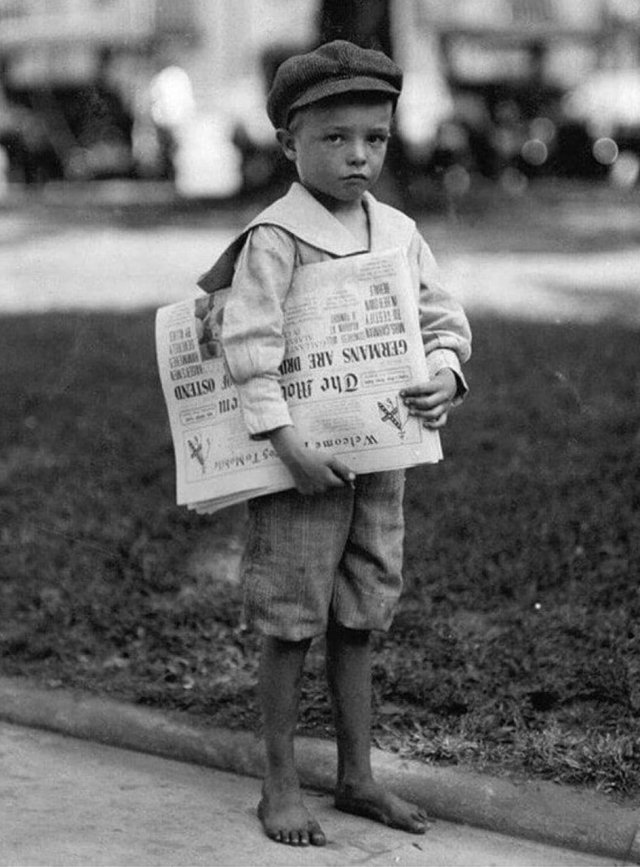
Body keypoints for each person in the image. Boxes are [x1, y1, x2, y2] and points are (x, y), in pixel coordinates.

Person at [198, 40, 472, 847]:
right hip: (300, 468)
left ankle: (358, 775)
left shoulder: (396, 230)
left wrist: (447, 372)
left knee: (360, 615)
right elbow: (248, 345)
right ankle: (278, 782)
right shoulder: (276, 236)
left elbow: (441, 321)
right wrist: (285, 441)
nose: (359, 156)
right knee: (290, 620)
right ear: (288, 141)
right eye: (334, 137)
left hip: (379, 462)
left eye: (375, 138)